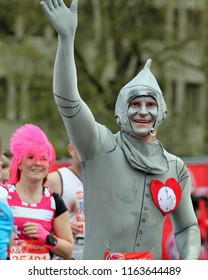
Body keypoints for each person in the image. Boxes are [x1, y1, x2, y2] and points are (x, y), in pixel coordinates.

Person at [41, 0, 201, 260]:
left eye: (150, 104)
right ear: (120, 112)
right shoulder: (99, 145)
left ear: (161, 112)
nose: (142, 111)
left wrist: (191, 263)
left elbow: (187, 227)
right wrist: (66, 39)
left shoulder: (175, 167)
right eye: (134, 104)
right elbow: (68, 101)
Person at [3, 124, 74, 260]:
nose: (38, 163)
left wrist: (47, 237)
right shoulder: (4, 196)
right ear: (18, 162)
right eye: (31, 157)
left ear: (49, 164)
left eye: (43, 159)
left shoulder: (55, 201)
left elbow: (68, 250)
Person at [47, 143, 85, 260]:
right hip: (65, 258)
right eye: (82, 146)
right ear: (71, 149)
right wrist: (59, 227)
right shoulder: (55, 179)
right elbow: (36, 216)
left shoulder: (104, 180)